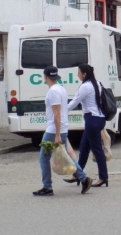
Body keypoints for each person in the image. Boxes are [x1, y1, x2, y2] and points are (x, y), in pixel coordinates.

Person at [33, 66, 92, 196]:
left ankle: (47, 187)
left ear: (45, 77)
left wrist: (57, 134)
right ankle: (84, 179)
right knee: (66, 157)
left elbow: (57, 113)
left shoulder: (53, 92)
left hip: (53, 130)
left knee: (43, 158)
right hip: (62, 128)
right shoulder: (61, 89)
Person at [65, 64, 109, 188]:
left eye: (79, 72)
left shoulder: (85, 86)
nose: (77, 75)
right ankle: (78, 175)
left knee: (97, 150)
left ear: (84, 74)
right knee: (84, 148)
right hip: (99, 118)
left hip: (92, 119)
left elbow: (74, 102)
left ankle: (103, 177)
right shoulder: (97, 83)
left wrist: (61, 111)